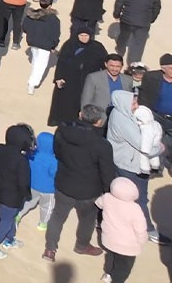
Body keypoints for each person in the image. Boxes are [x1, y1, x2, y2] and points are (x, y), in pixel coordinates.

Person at [43, 104, 116, 261]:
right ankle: (82, 246)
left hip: (64, 183)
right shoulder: (102, 145)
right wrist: (108, 191)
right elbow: (107, 172)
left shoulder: (61, 131)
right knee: (87, 219)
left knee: (57, 216)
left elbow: (57, 152)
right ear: (99, 122)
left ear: (80, 115)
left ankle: (50, 249)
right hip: (89, 190)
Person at [108, 90, 164, 247]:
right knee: (140, 199)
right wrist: (160, 148)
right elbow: (143, 146)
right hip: (130, 166)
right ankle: (148, 229)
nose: (136, 106)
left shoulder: (121, 114)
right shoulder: (123, 121)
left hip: (127, 163)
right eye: (133, 103)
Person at [0, 124, 35, 258]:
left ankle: (9, 239)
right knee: (6, 221)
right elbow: (23, 182)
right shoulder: (21, 160)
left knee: (7, 217)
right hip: (12, 198)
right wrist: (26, 195)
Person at [47, 29, 108, 127]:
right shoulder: (69, 45)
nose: (83, 38)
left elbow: (105, 63)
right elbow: (61, 62)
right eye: (81, 35)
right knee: (67, 102)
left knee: (84, 101)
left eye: (86, 35)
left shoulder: (97, 47)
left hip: (88, 80)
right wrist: (58, 78)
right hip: (70, 80)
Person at [96, 177, 148, 283]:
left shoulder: (107, 197)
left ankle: (108, 275)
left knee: (111, 258)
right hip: (127, 246)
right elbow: (140, 229)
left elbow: (98, 203)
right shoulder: (135, 208)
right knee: (123, 268)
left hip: (109, 239)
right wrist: (142, 241)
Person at [112, 0, 161, 65]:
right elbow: (156, 9)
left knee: (123, 37)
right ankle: (133, 64)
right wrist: (151, 19)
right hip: (143, 23)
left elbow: (119, 3)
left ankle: (120, 53)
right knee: (139, 45)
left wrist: (116, 14)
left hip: (127, 20)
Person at [24, 0, 62, 95]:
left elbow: (25, 27)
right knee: (41, 65)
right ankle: (32, 83)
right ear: (50, 5)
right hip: (45, 44)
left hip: (33, 41)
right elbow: (56, 34)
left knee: (36, 61)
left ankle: (32, 81)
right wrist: (53, 45)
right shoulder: (54, 19)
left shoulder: (32, 15)